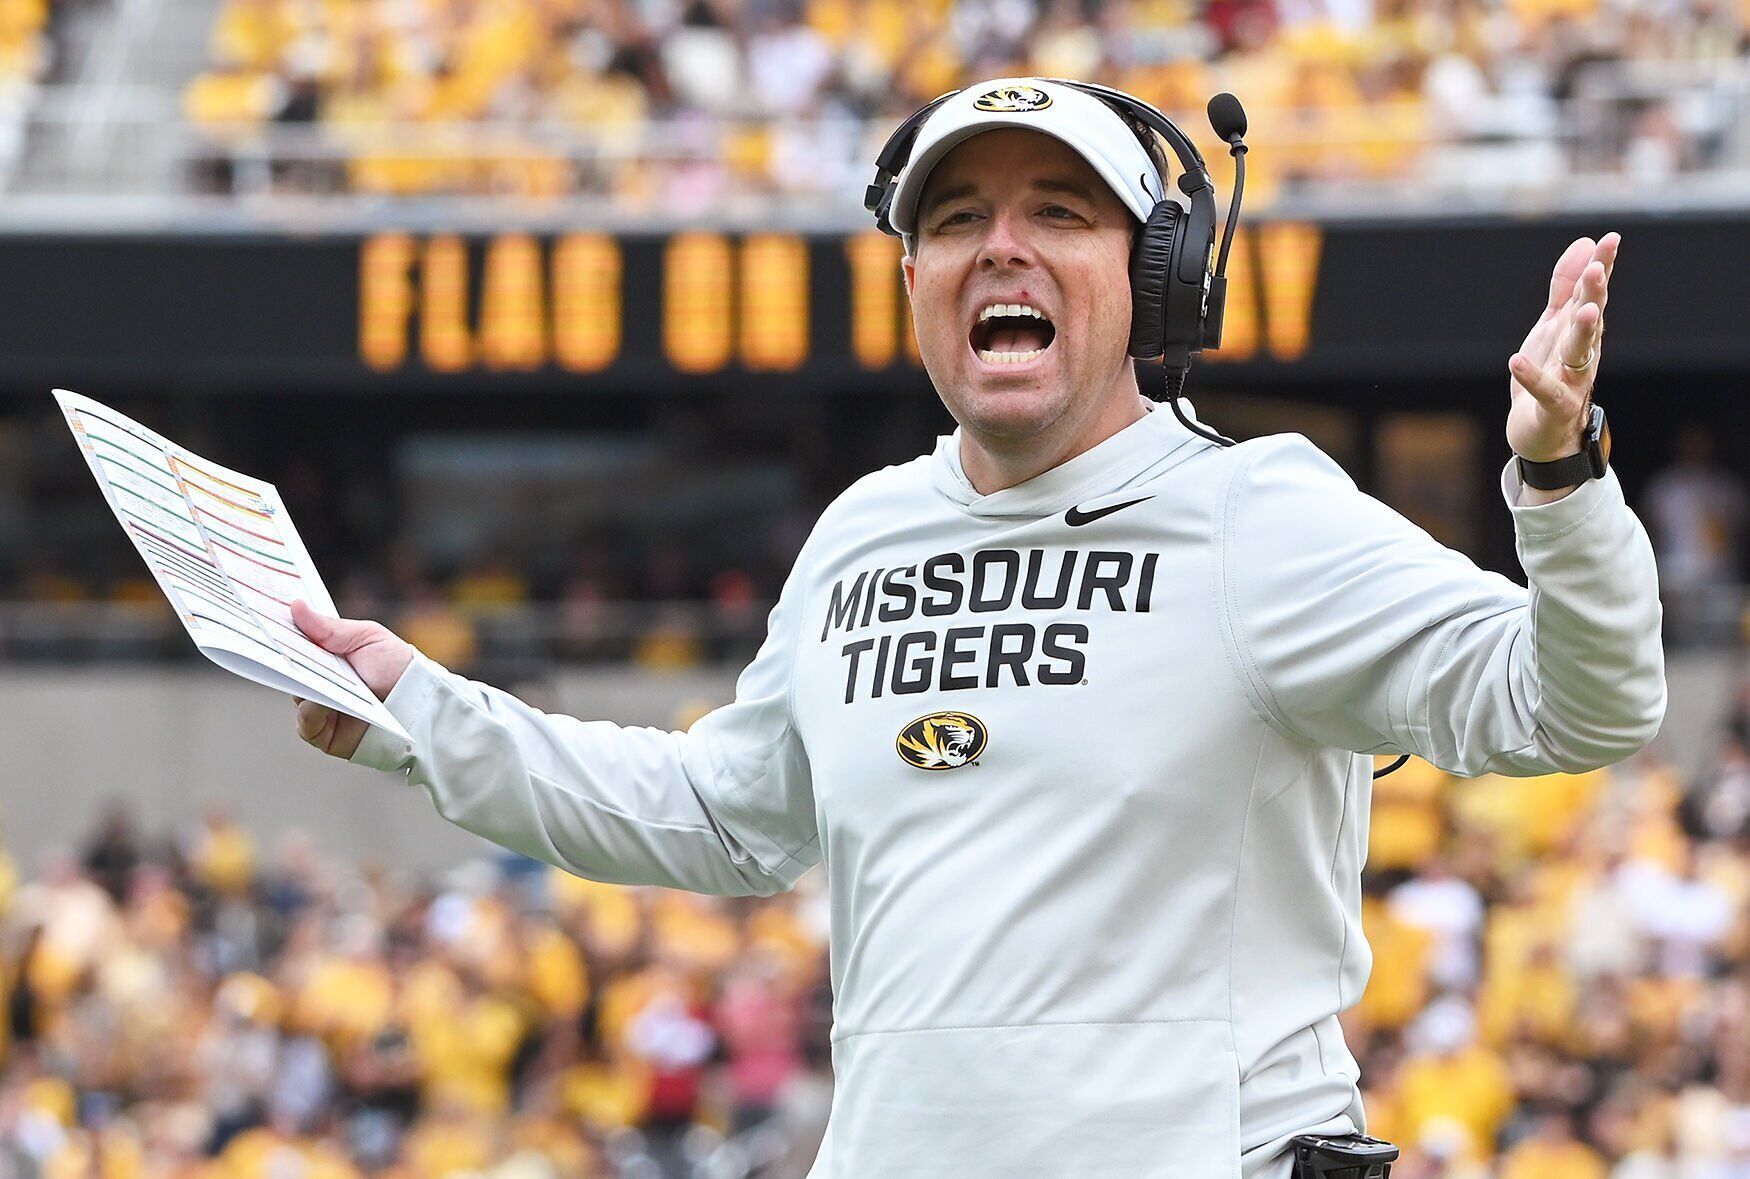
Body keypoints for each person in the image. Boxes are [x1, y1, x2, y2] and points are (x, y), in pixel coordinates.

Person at [289, 76, 1664, 1178]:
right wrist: (423, 712)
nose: (1000, 245)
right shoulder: (860, 533)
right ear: (913, 285)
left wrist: (1557, 474)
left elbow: (1579, 708)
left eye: (1058, 212)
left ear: (1161, 275)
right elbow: (722, 816)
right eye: (954, 222)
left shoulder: (1262, 514)